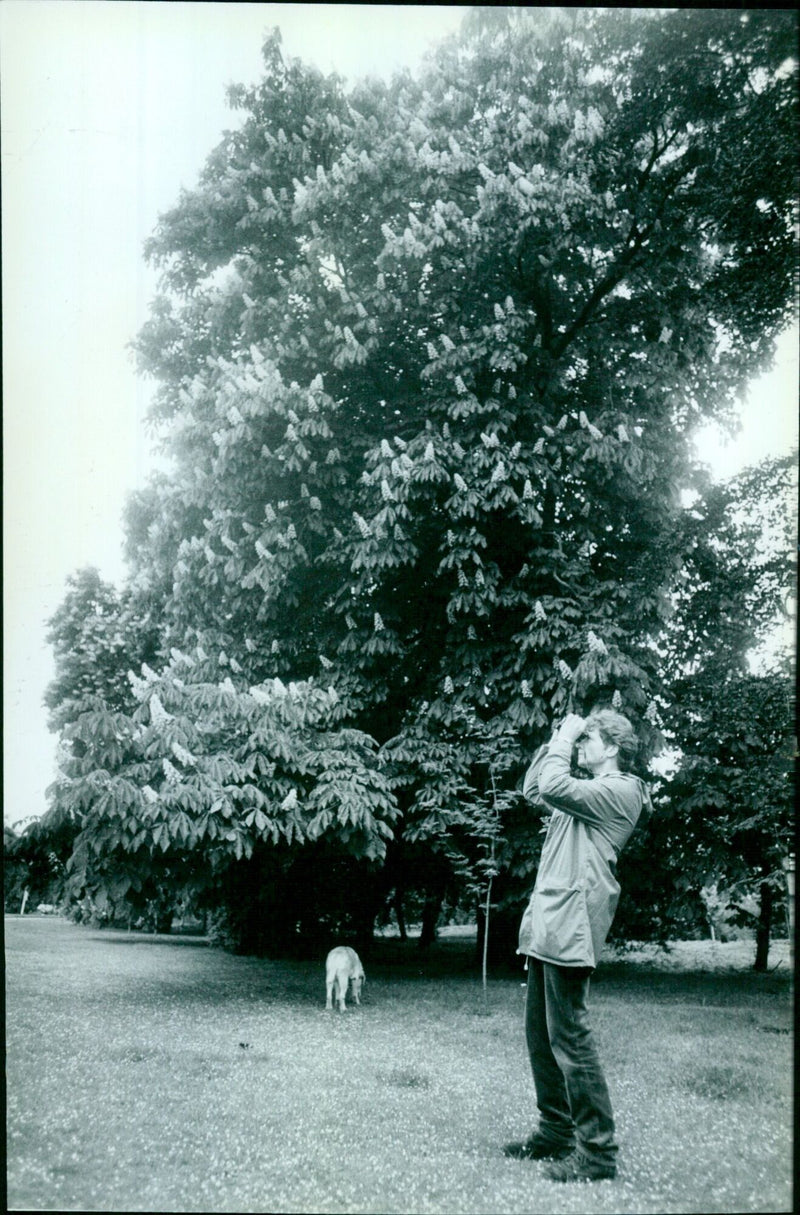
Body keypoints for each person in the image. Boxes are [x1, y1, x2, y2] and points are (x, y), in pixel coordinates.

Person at [504, 708, 651, 1183]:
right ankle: (555, 1132)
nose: (581, 745)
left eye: (589, 739)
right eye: (580, 739)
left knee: (570, 1036)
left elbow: (552, 787)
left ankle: (598, 1153)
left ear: (612, 748)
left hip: (573, 926)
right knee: (541, 1035)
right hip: (551, 922)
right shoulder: (582, 794)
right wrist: (556, 739)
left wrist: (565, 738)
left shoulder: (621, 790)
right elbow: (533, 789)